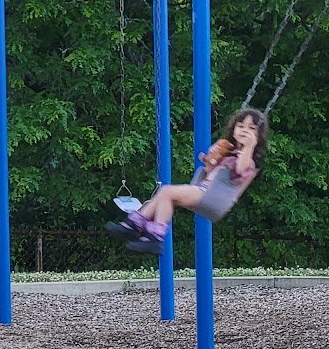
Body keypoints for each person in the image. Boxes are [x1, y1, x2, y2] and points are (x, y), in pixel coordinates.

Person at [105, 108, 269, 258]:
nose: (245, 131)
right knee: (165, 194)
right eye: (241, 126)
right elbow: (213, 173)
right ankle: (135, 225)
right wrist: (211, 162)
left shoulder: (249, 161)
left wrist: (249, 146)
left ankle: (151, 234)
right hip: (205, 192)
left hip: (214, 198)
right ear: (233, 128)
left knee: (168, 192)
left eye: (251, 128)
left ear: (258, 136)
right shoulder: (230, 153)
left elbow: (240, 169)